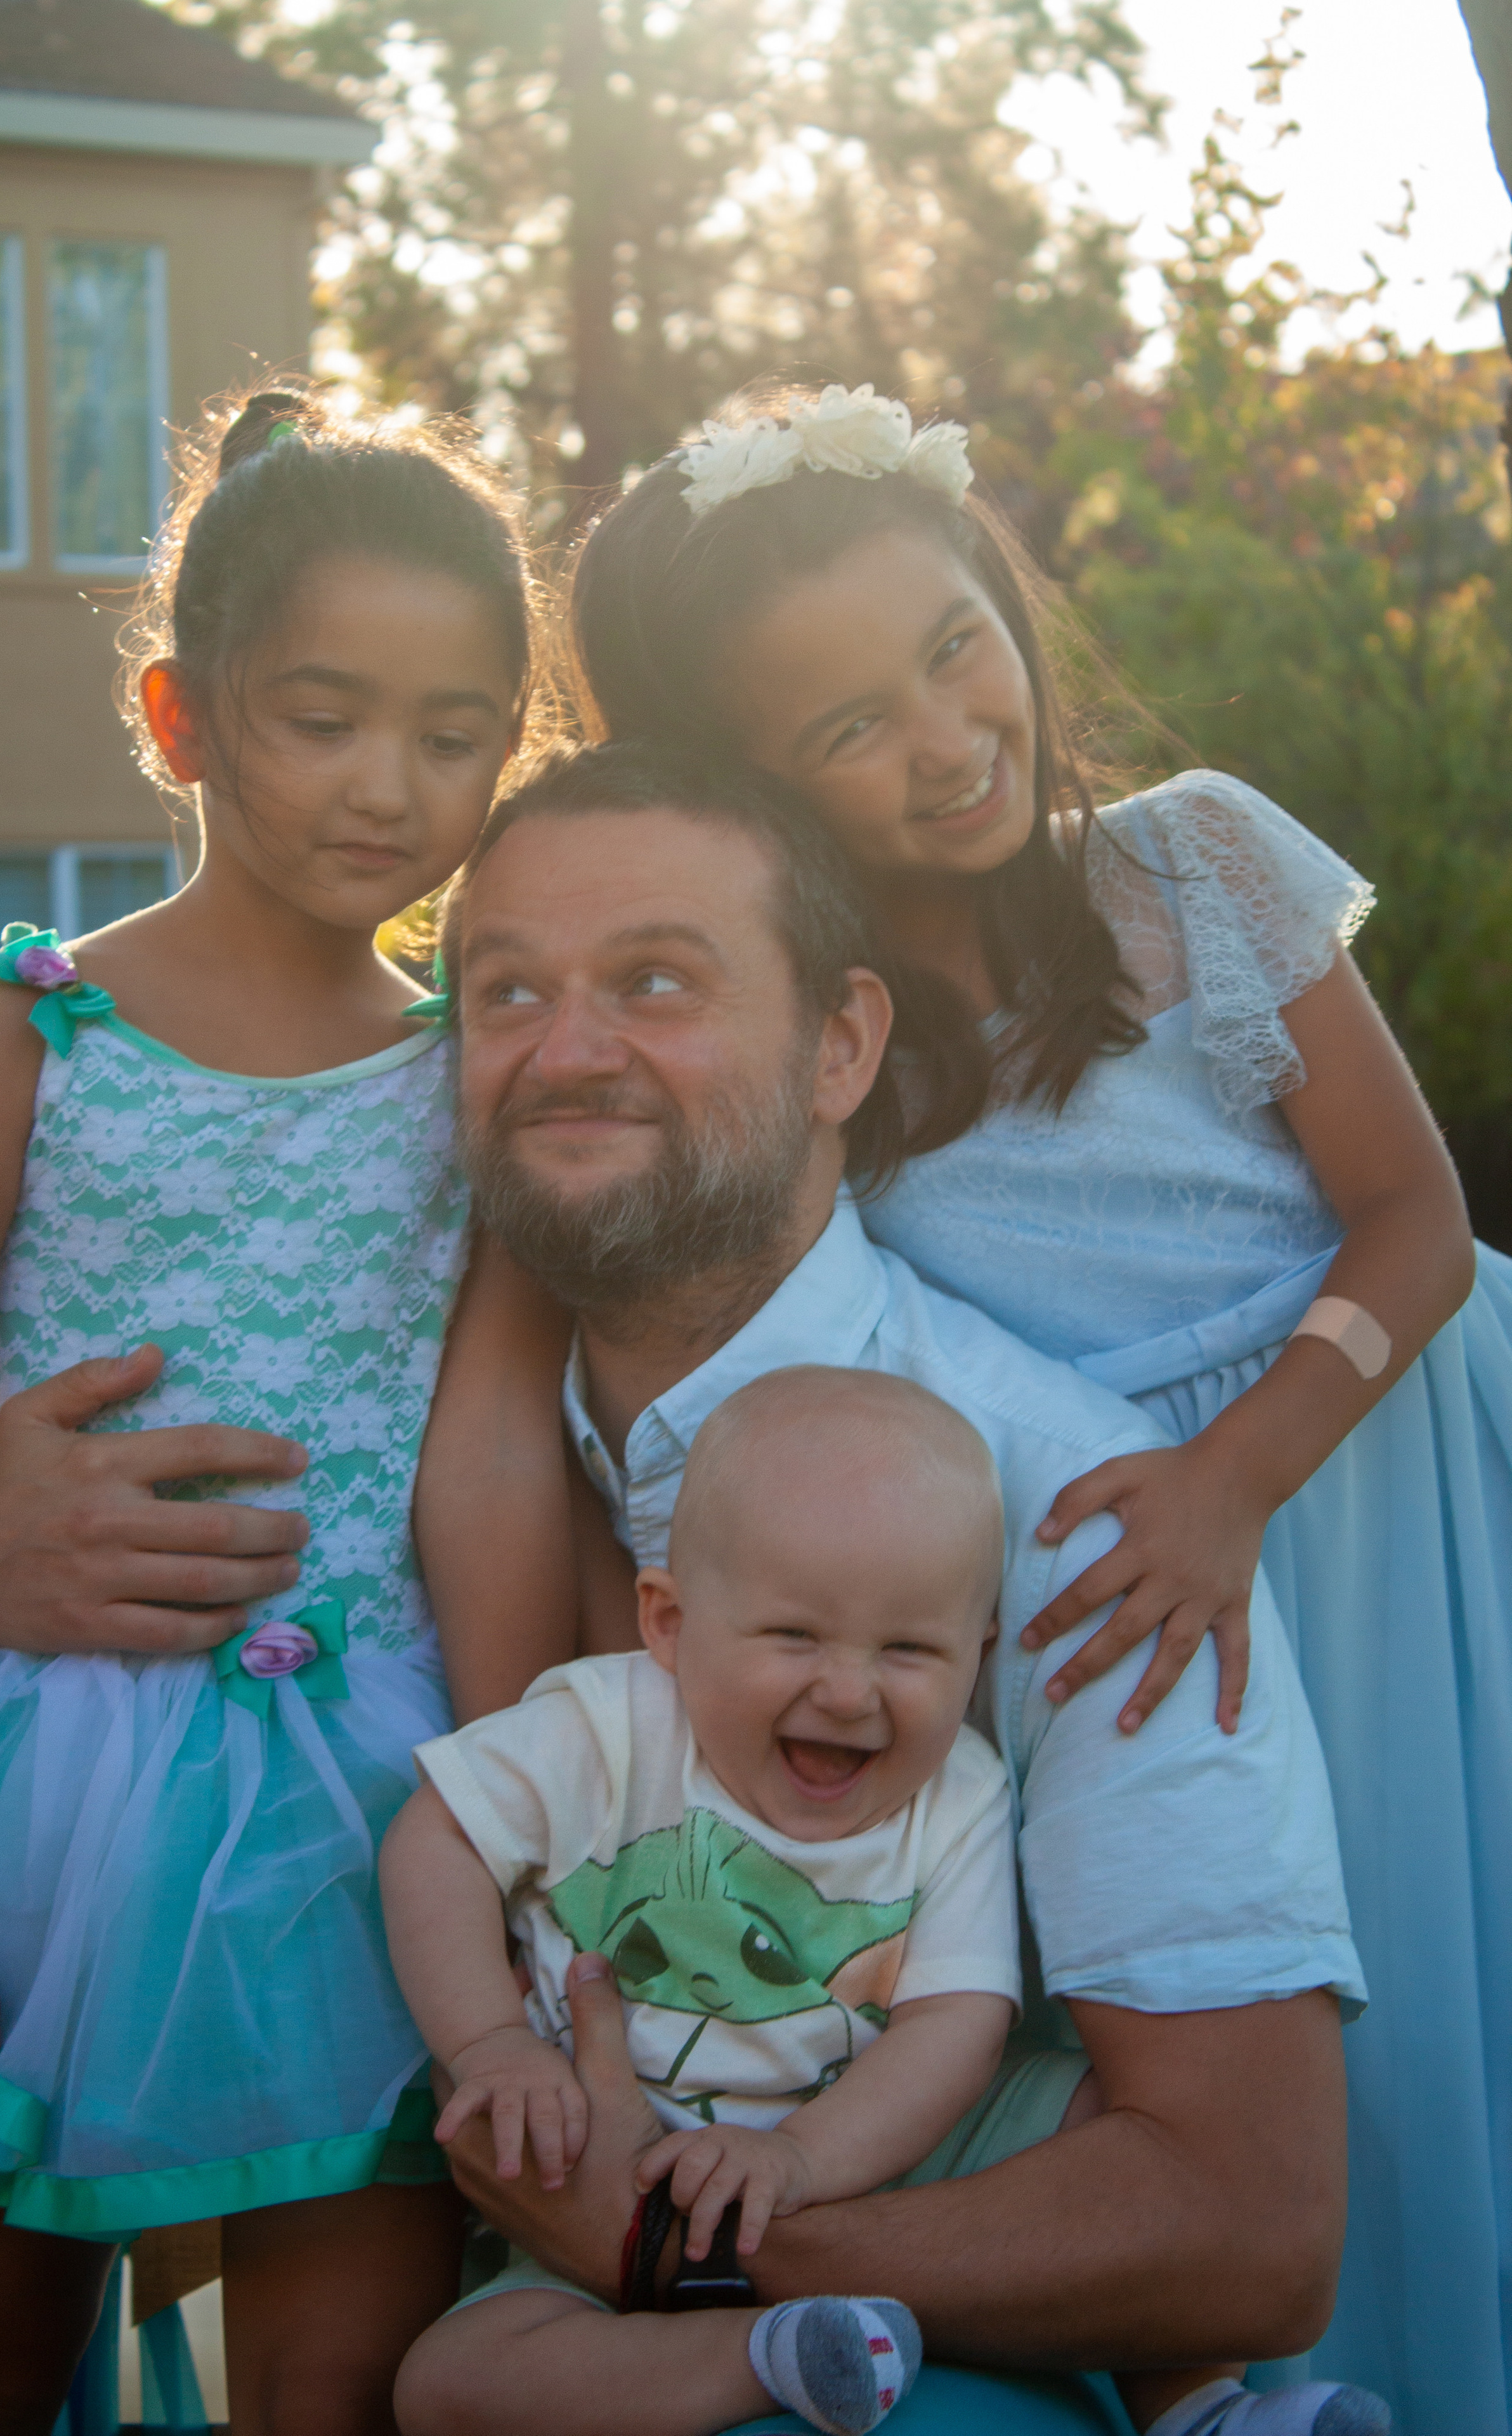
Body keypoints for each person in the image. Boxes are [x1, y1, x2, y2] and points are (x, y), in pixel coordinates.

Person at [568, 385, 1512, 2432]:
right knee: (1298, 2017)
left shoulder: (1201, 865)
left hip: (1360, 1466)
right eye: (847, 729)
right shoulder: (827, 1054)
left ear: (1004, 598)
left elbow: (1417, 1223)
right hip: (1139, 1564)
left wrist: (1236, 1480)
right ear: (760, 782)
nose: (943, 735)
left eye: (954, 647)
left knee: (1461, 1957)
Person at [427, 738, 1383, 2436]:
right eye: (505, 992)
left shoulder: (1070, 1519)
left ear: (843, 1043)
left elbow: (1254, 2225)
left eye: (656, 979)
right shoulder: (418, 1456)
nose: (567, 1053)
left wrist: (673, 2260)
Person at [0, 384, 577, 2436]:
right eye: (324, 715)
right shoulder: (23, 1032)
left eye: (456, 736)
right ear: (185, 718)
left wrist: (533, 1836)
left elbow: (488, 1464)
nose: (392, 784)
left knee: (338, 2377)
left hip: (371, 1819)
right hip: (24, 1811)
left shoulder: (480, 1072)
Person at [384, 1367, 1019, 2436]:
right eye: (795, 1636)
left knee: (1104, 2131)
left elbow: (957, 2022)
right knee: (448, 2383)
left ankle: (1195, 2403)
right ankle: (772, 2355)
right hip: (595, 2182)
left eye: (911, 1649)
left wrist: (807, 2159)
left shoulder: (960, 1790)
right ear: (670, 1623)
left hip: (876, 2170)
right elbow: (436, 1840)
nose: (851, 1691)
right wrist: (493, 2042)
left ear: (979, 1657)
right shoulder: (607, 1727)